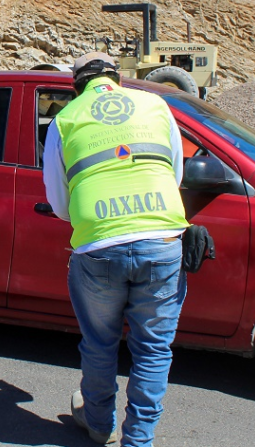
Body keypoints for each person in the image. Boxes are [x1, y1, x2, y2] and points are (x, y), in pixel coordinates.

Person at [42, 52, 189, 447]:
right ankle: (138, 440)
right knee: (154, 350)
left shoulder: (65, 119)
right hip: (160, 242)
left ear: (76, 84)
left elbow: (58, 203)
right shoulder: (156, 104)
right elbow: (174, 174)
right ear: (118, 78)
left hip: (99, 245)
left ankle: (98, 424)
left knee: (100, 343)